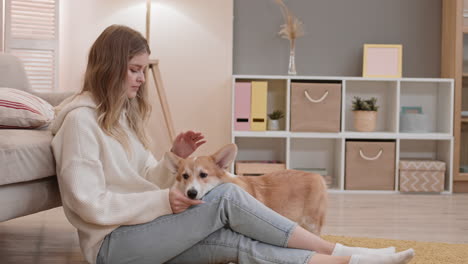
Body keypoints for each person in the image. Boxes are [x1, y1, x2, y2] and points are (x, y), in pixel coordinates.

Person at [51, 24, 415, 264]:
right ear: (109, 67)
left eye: (144, 69)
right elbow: (89, 203)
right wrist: (163, 200)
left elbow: (143, 178)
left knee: (240, 246)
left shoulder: (120, 120)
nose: (142, 80)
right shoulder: (81, 122)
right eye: (134, 69)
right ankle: (340, 250)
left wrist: (174, 158)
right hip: (114, 246)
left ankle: (345, 260)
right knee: (223, 195)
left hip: (144, 231)